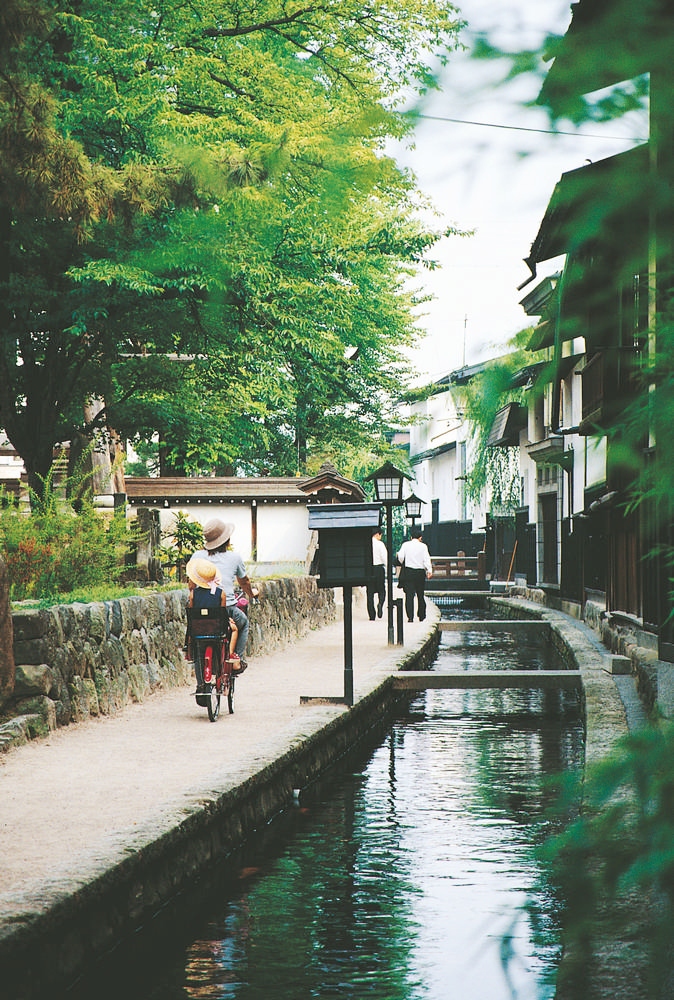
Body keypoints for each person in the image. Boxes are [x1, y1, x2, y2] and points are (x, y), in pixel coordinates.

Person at [192, 518, 259, 672]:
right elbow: (244, 582)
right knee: (243, 622)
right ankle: (237, 659)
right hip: (226, 609)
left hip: (200, 610)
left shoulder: (197, 556)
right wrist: (251, 594)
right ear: (226, 540)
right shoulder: (234, 558)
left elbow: (191, 585)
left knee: (196, 631)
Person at [185, 556, 240, 688]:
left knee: (197, 646)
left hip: (198, 631)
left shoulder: (193, 594)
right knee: (235, 629)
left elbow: (192, 613)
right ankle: (230, 654)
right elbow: (222, 613)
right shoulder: (221, 593)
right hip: (216, 630)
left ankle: (200, 682)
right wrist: (229, 620)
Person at [397, 526, 432, 623]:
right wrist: (429, 570)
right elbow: (426, 559)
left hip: (409, 572)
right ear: (420, 537)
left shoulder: (406, 545)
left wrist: (404, 561)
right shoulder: (423, 546)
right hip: (420, 572)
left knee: (409, 595)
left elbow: (400, 557)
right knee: (420, 594)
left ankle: (410, 617)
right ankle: (421, 615)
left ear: (411, 537)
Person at [366, 527, 387, 621]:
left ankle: (372, 615)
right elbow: (385, 558)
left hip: (369, 569)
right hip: (378, 568)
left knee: (369, 593)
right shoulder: (380, 544)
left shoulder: (366, 543)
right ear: (378, 534)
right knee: (382, 590)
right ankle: (380, 604)